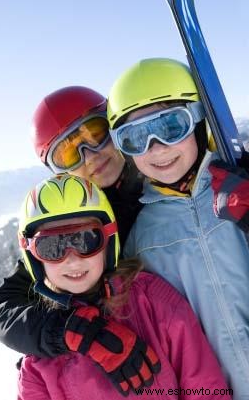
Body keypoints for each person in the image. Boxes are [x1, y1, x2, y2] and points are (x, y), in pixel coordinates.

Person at [0, 86, 147, 392]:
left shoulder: (161, 173)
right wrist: (62, 331)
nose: (91, 155)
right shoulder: (70, 224)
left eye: (95, 133)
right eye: (70, 153)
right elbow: (3, 309)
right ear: (57, 171)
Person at [107, 57, 249, 399]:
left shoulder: (238, 187)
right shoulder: (140, 240)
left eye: (171, 126)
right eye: (136, 138)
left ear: (199, 120)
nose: (156, 148)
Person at [17, 174, 231, 400]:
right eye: (52, 247)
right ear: (34, 258)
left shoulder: (153, 303)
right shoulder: (38, 363)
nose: (72, 259)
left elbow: (205, 389)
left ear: (108, 241)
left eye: (86, 240)